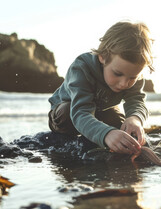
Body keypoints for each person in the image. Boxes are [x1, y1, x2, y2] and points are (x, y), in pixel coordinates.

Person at [48, 21, 154, 155]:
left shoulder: (134, 73)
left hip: (101, 111)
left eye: (132, 78)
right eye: (117, 74)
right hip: (70, 113)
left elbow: (136, 100)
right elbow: (80, 112)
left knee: (122, 127)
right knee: (67, 112)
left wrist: (135, 118)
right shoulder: (81, 67)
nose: (123, 83)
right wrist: (106, 134)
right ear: (102, 57)